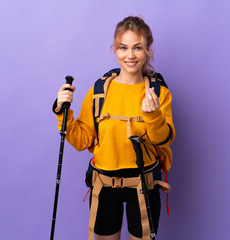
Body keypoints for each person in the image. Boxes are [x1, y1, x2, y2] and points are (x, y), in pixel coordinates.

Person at [54, 16, 175, 240]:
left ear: (147, 50)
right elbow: (82, 141)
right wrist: (63, 113)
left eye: (137, 48)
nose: (130, 55)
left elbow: (163, 140)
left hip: (143, 186)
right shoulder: (99, 91)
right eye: (124, 47)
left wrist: (153, 115)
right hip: (104, 186)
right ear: (115, 49)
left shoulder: (158, 93)